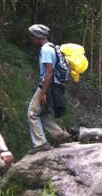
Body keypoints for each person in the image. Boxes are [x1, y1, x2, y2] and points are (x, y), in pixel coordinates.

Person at [27, 24, 70, 153]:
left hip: (47, 86)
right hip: (55, 86)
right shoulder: (52, 47)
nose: (30, 39)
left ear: (37, 36)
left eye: (31, 37)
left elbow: (49, 72)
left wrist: (43, 92)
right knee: (43, 114)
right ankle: (59, 134)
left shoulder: (45, 49)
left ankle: (40, 144)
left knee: (32, 114)